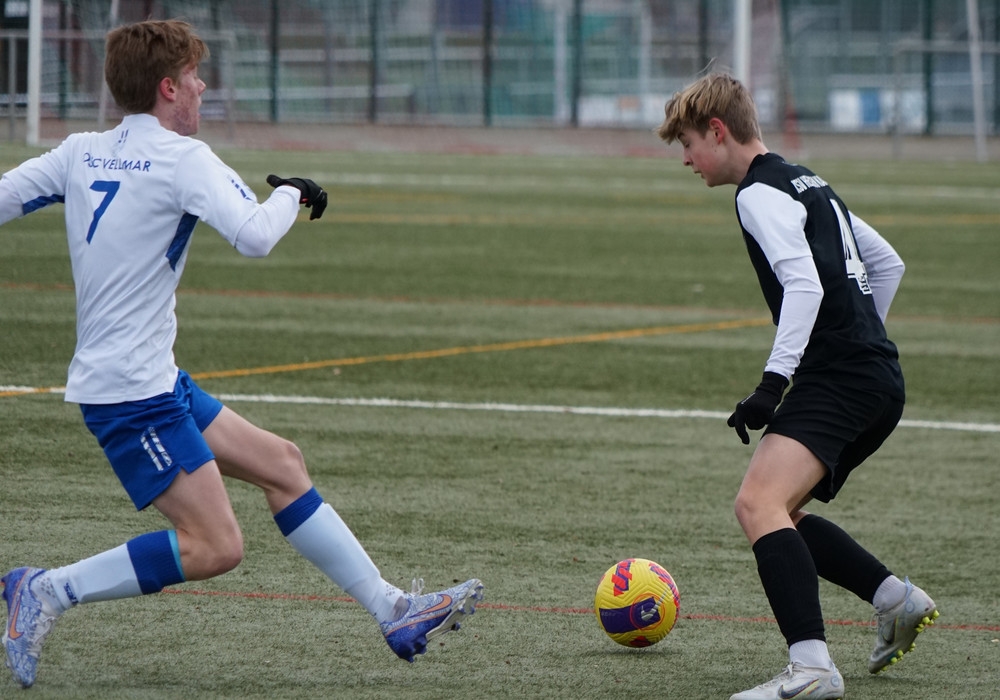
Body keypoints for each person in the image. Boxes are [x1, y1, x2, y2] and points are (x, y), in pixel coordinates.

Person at [0, 19, 482, 689]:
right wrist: (293, 192)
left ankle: (393, 609)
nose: (203, 87)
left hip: (150, 380)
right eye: (194, 76)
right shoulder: (183, 159)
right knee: (216, 546)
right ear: (168, 88)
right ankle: (46, 589)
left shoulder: (82, 151)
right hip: (132, 395)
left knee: (282, 464)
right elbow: (255, 236)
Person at [657, 73, 937, 700]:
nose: (686, 160)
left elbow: (805, 286)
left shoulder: (756, 194)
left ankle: (811, 667)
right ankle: (894, 599)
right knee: (777, 510)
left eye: (688, 144)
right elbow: (887, 262)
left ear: (717, 131)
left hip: (842, 379)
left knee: (756, 505)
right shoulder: (808, 181)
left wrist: (773, 384)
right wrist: (860, 338)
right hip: (877, 378)